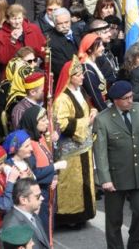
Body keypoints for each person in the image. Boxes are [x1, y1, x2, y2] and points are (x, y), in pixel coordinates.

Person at [93, 81, 139, 249]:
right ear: (115, 100)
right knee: (114, 219)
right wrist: (105, 179)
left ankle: (134, 242)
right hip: (116, 177)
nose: (130, 100)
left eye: (131, 96)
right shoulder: (103, 119)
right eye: (126, 98)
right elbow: (100, 153)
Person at [52, 55, 97, 227]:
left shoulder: (80, 92)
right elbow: (62, 123)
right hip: (70, 150)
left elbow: (86, 107)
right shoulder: (63, 98)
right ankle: (69, 216)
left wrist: (92, 111)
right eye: (79, 75)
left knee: (84, 180)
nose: (83, 77)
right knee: (72, 182)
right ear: (70, 77)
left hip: (84, 146)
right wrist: (87, 121)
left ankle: (83, 214)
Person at [1, 178, 50, 249]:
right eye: (37, 196)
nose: (42, 198)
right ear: (23, 200)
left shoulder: (32, 214)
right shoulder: (11, 226)